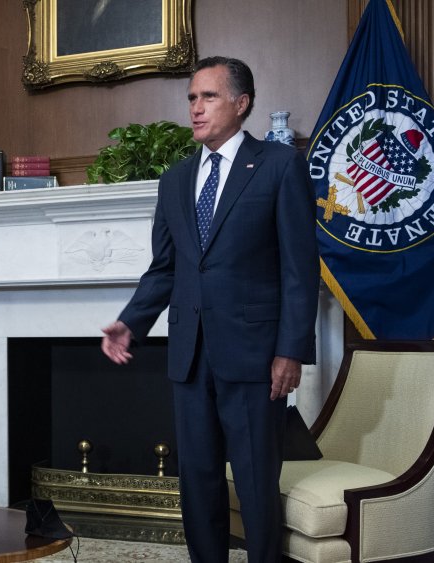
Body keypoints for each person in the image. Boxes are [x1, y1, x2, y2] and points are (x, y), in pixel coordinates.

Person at [101, 57, 319, 563]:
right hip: (190, 357)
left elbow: (300, 271)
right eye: (192, 99)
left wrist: (291, 351)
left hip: (256, 359)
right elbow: (166, 268)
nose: (196, 109)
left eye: (209, 97)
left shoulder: (279, 165)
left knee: (256, 480)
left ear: (242, 104)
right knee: (197, 482)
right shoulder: (176, 179)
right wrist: (130, 322)